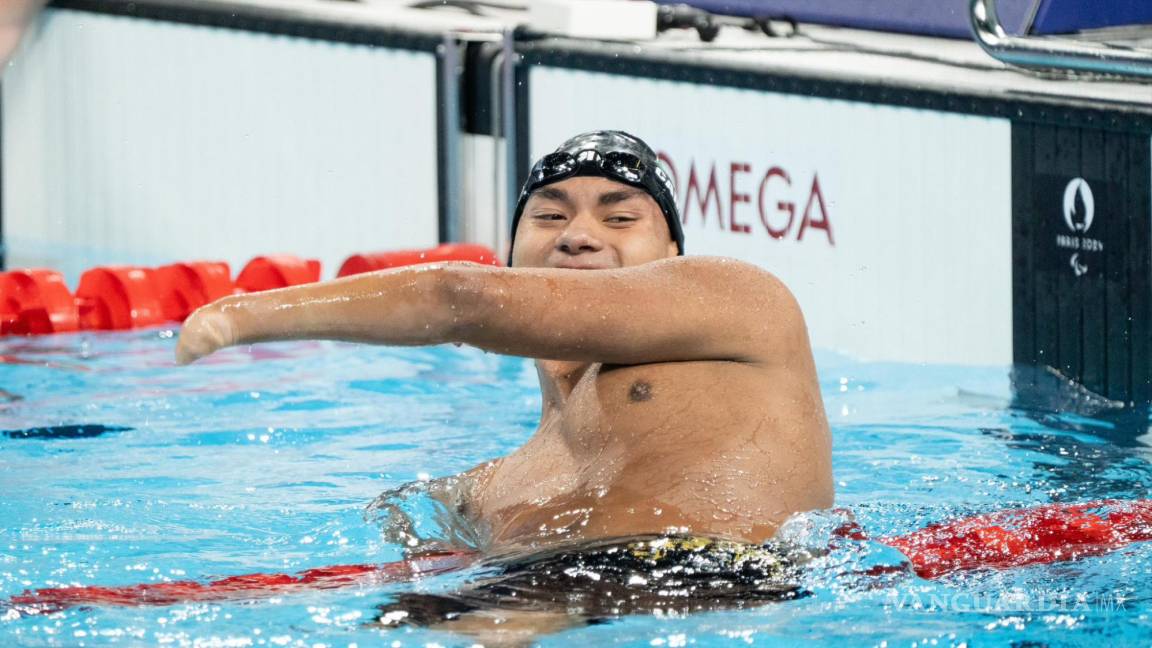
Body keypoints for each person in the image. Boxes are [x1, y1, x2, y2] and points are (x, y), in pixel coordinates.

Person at [177, 130, 832, 637]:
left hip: (719, 583)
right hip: (557, 594)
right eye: (548, 217)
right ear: (515, 256)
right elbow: (413, 513)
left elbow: (458, 296)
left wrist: (238, 313)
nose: (578, 236)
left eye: (619, 217)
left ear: (673, 255)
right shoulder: (492, 485)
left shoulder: (741, 300)